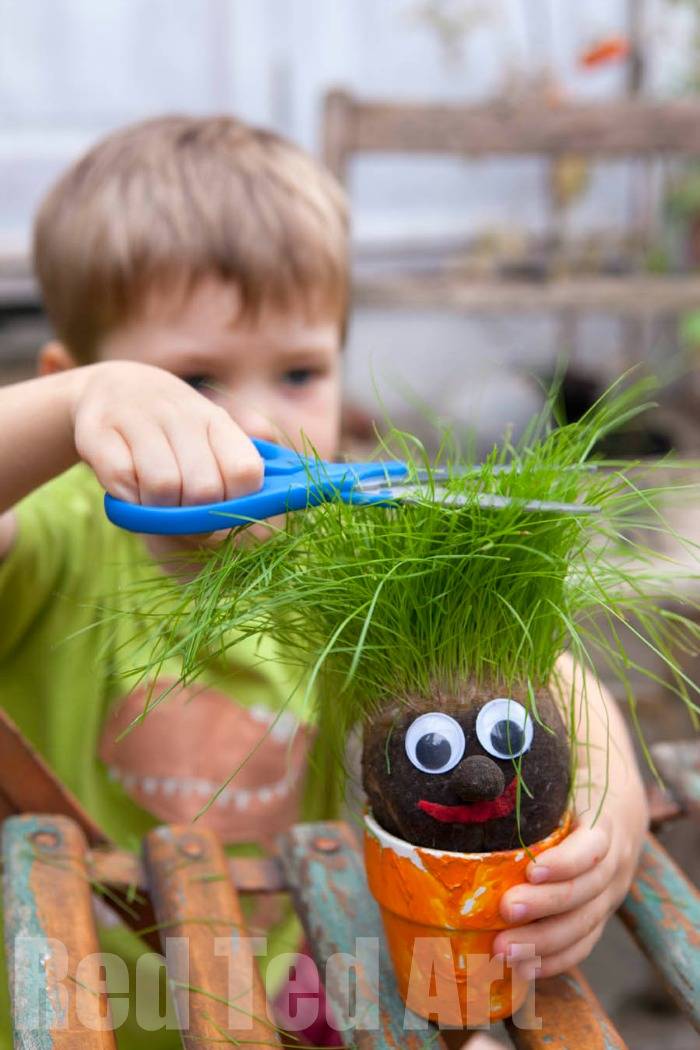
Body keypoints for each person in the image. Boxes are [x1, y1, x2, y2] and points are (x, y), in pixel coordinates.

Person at [0, 115, 648, 1045]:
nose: (256, 418)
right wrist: (72, 411)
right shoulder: (61, 532)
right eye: (193, 381)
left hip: (282, 1000)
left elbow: (547, 675)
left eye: (301, 371)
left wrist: (609, 813)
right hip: (70, 1006)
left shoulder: (355, 565)